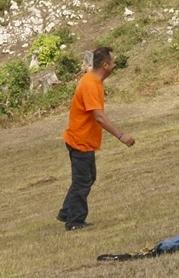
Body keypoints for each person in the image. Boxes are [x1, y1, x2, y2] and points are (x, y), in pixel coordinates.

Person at [59, 46, 134, 231]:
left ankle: (66, 211)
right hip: (80, 140)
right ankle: (74, 221)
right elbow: (99, 116)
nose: (115, 64)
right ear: (106, 65)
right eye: (113, 61)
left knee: (88, 177)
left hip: (84, 139)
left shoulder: (94, 81)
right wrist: (121, 136)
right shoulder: (90, 84)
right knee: (83, 181)